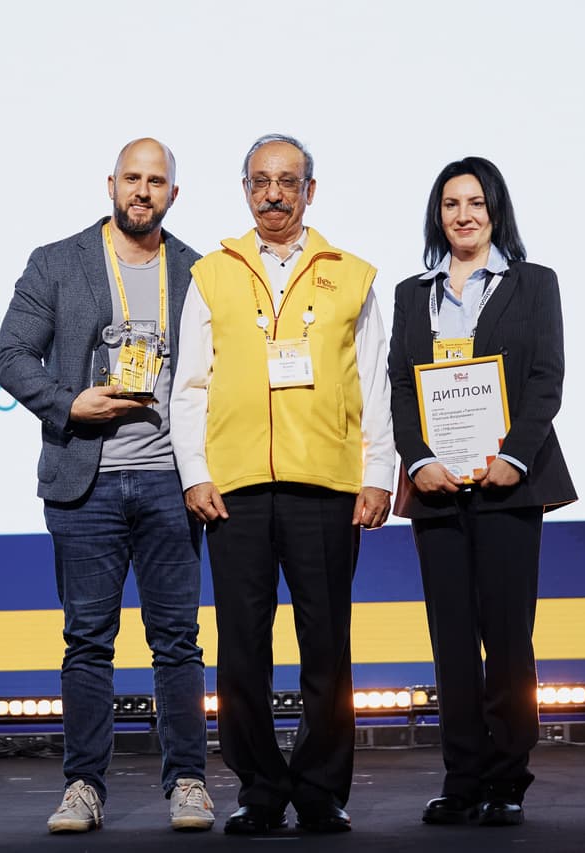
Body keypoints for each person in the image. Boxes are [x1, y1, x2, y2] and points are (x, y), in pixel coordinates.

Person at [171, 133, 394, 835]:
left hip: (327, 485)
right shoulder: (211, 273)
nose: (274, 194)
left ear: (310, 191)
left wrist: (378, 473)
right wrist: (195, 472)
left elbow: (375, 381)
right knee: (242, 648)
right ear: (245, 190)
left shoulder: (351, 275)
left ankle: (322, 788)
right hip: (234, 488)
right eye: (261, 181)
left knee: (326, 644)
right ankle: (260, 788)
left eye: (288, 181)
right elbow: (189, 386)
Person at [0, 138, 213, 833]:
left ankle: (188, 782)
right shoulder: (56, 262)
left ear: (173, 194)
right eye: (131, 178)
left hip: (170, 482)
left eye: (156, 181)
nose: (142, 191)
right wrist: (69, 403)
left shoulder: (200, 271)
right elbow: (11, 356)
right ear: (110, 184)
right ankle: (83, 786)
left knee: (177, 640)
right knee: (87, 641)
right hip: (84, 485)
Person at [388, 157, 576, 828]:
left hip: (507, 488)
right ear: (437, 216)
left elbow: (547, 378)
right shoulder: (413, 293)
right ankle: (462, 777)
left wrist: (515, 457)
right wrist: (418, 460)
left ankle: (507, 777)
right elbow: (401, 386)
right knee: (451, 641)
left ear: (496, 210)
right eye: (450, 204)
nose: (463, 215)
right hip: (437, 490)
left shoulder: (535, 282)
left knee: (507, 637)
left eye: (475, 202)